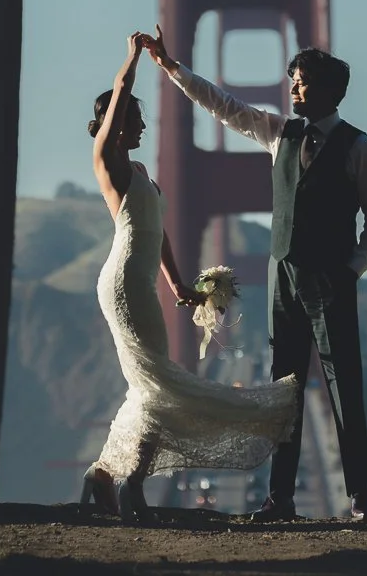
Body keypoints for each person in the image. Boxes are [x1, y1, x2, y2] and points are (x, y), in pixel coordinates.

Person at [142, 25, 367, 522]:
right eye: (292, 80)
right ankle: (281, 499)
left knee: (346, 390)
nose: (292, 89)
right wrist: (172, 69)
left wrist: (352, 269)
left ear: (327, 89)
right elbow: (223, 105)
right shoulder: (280, 133)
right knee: (284, 390)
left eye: (300, 82)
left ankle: (361, 499)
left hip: (331, 284)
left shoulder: (359, 147)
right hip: (284, 282)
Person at [80, 33, 297, 523]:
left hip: (142, 283)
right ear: (115, 122)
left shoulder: (141, 172)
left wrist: (179, 286)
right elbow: (120, 92)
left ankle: (104, 476)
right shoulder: (108, 161)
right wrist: (135, 56)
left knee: (152, 385)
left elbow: (158, 236)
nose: (141, 127)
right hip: (121, 284)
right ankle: (128, 482)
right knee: (157, 384)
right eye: (134, 120)